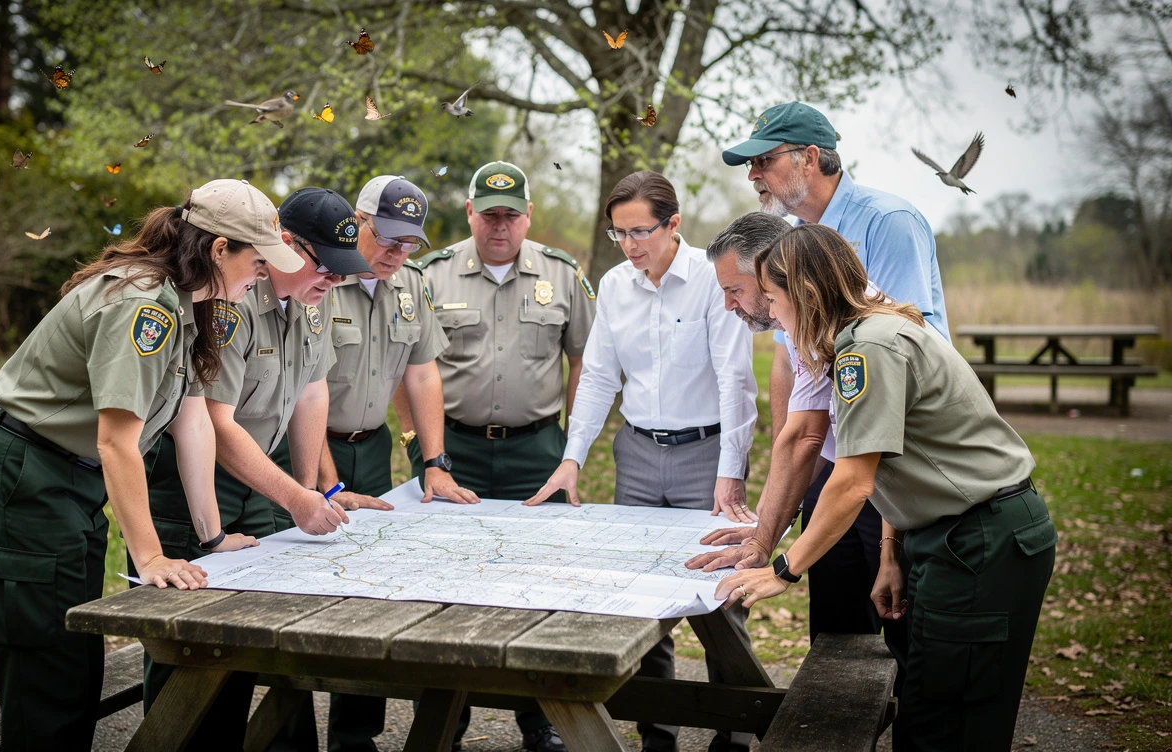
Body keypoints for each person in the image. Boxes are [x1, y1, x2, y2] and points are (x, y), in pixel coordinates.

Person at [0, 178, 281, 749]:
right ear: (219, 249)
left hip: (65, 481)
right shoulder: (144, 305)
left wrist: (211, 535)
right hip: (26, 477)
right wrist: (150, 556)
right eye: (257, 260)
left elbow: (189, 419)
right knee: (48, 678)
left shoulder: (185, 300)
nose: (265, 274)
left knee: (73, 665)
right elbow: (116, 443)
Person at [715, 222, 1055, 752]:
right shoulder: (861, 335)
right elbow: (896, 458)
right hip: (949, 534)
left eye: (775, 299)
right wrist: (891, 552)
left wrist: (784, 568)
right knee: (928, 702)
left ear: (804, 294)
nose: (774, 315)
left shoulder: (866, 350)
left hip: (980, 538)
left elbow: (852, 481)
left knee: (950, 720)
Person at [696, 102, 952, 685]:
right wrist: (765, 531)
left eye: (764, 160)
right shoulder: (789, 245)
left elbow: (910, 345)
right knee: (834, 651)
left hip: (894, 474)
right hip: (834, 468)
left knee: (913, 650)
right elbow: (801, 400)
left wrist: (883, 533)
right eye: (750, 165)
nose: (753, 175)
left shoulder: (887, 220)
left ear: (811, 158)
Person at [525, 170, 757, 752]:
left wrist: (731, 469)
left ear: (673, 224)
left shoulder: (713, 279)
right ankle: (660, 735)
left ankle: (733, 734)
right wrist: (572, 457)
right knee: (643, 603)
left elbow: (735, 379)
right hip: (637, 453)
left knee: (721, 605)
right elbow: (600, 374)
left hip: (707, 455)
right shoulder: (615, 283)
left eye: (641, 231)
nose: (630, 245)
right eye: (618, 233)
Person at [134, 186, 372, 750]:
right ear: (286, 247)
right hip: (191, 483)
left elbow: (312, 392)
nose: (334, 282)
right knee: (191, 650)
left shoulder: (315, 295)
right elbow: (211, 423)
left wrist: (314, 488)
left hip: (264, 484)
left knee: (262, 642)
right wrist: (295, 498)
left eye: (342, 273)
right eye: (324, 269)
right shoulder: (228, 298)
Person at [398, 161, 596, 752]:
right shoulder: (429, 275)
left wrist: (570, 444)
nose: (500, 226)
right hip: (451, 449)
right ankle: (444, 723)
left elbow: (586, 360)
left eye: (511, 214)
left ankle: (541, 720)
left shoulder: (562, 276)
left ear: (528, 215)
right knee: (440, 587)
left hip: (537, 448)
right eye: (489, 214)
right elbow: (406, 365)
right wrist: (417, 448)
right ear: (470, 213)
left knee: (541, 587)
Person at [289, 178, 480, 752]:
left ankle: (355, 734)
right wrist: (326, 482)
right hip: (309, 446)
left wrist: (433, 462)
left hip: (371, 446)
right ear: (359, 220)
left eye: (409, 244)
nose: (396, 254)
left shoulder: (409, 288)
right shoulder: (321, 281)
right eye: (388, 239)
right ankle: (287, 733)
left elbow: (421, 373)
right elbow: (306, 390)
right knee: (293, 587)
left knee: (369, 589)